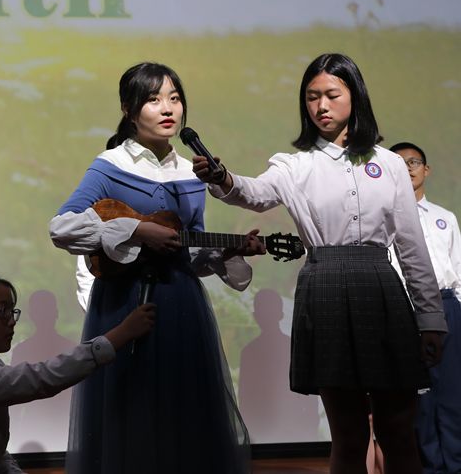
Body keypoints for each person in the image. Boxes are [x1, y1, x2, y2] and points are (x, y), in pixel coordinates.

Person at [193, 54, 446, 474]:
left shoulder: (390, 164)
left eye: (331, 94)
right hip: (325, 290)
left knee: (399, 427)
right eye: (312, 97)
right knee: (348, 433)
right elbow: (252, 193)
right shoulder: (296, 165)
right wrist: (222, 178)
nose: (321, 106)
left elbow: (411, 245)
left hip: (382, 288)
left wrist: (431, 317)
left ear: (355, 97)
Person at [49, 62, 262, 474]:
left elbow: (191, 248)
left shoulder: (192, 172)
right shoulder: (110, 165)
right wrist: (137, 229)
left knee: (185, 410)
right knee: (131, 410)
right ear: (129, 111)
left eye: (175, 98)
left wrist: (229, 253)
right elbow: (62, 228)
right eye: (153, 100)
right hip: (124, 302)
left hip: (181, 302)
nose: (168, 109)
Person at [0, 268, 155, 474]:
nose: (12, 320)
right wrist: (120, 335)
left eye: (12, 311)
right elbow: (42, 377)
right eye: (2, 310)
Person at [390, 141, 461, 474]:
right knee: (420, 398)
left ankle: (455, 464)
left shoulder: (445, 218)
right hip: (407, 307)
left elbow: (458, 272)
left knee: (453, 394)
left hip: (448, 306)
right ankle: (430, 466)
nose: (407, 167)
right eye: (399, 163)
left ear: (426, 169)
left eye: (414, 161)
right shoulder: (385, 220)